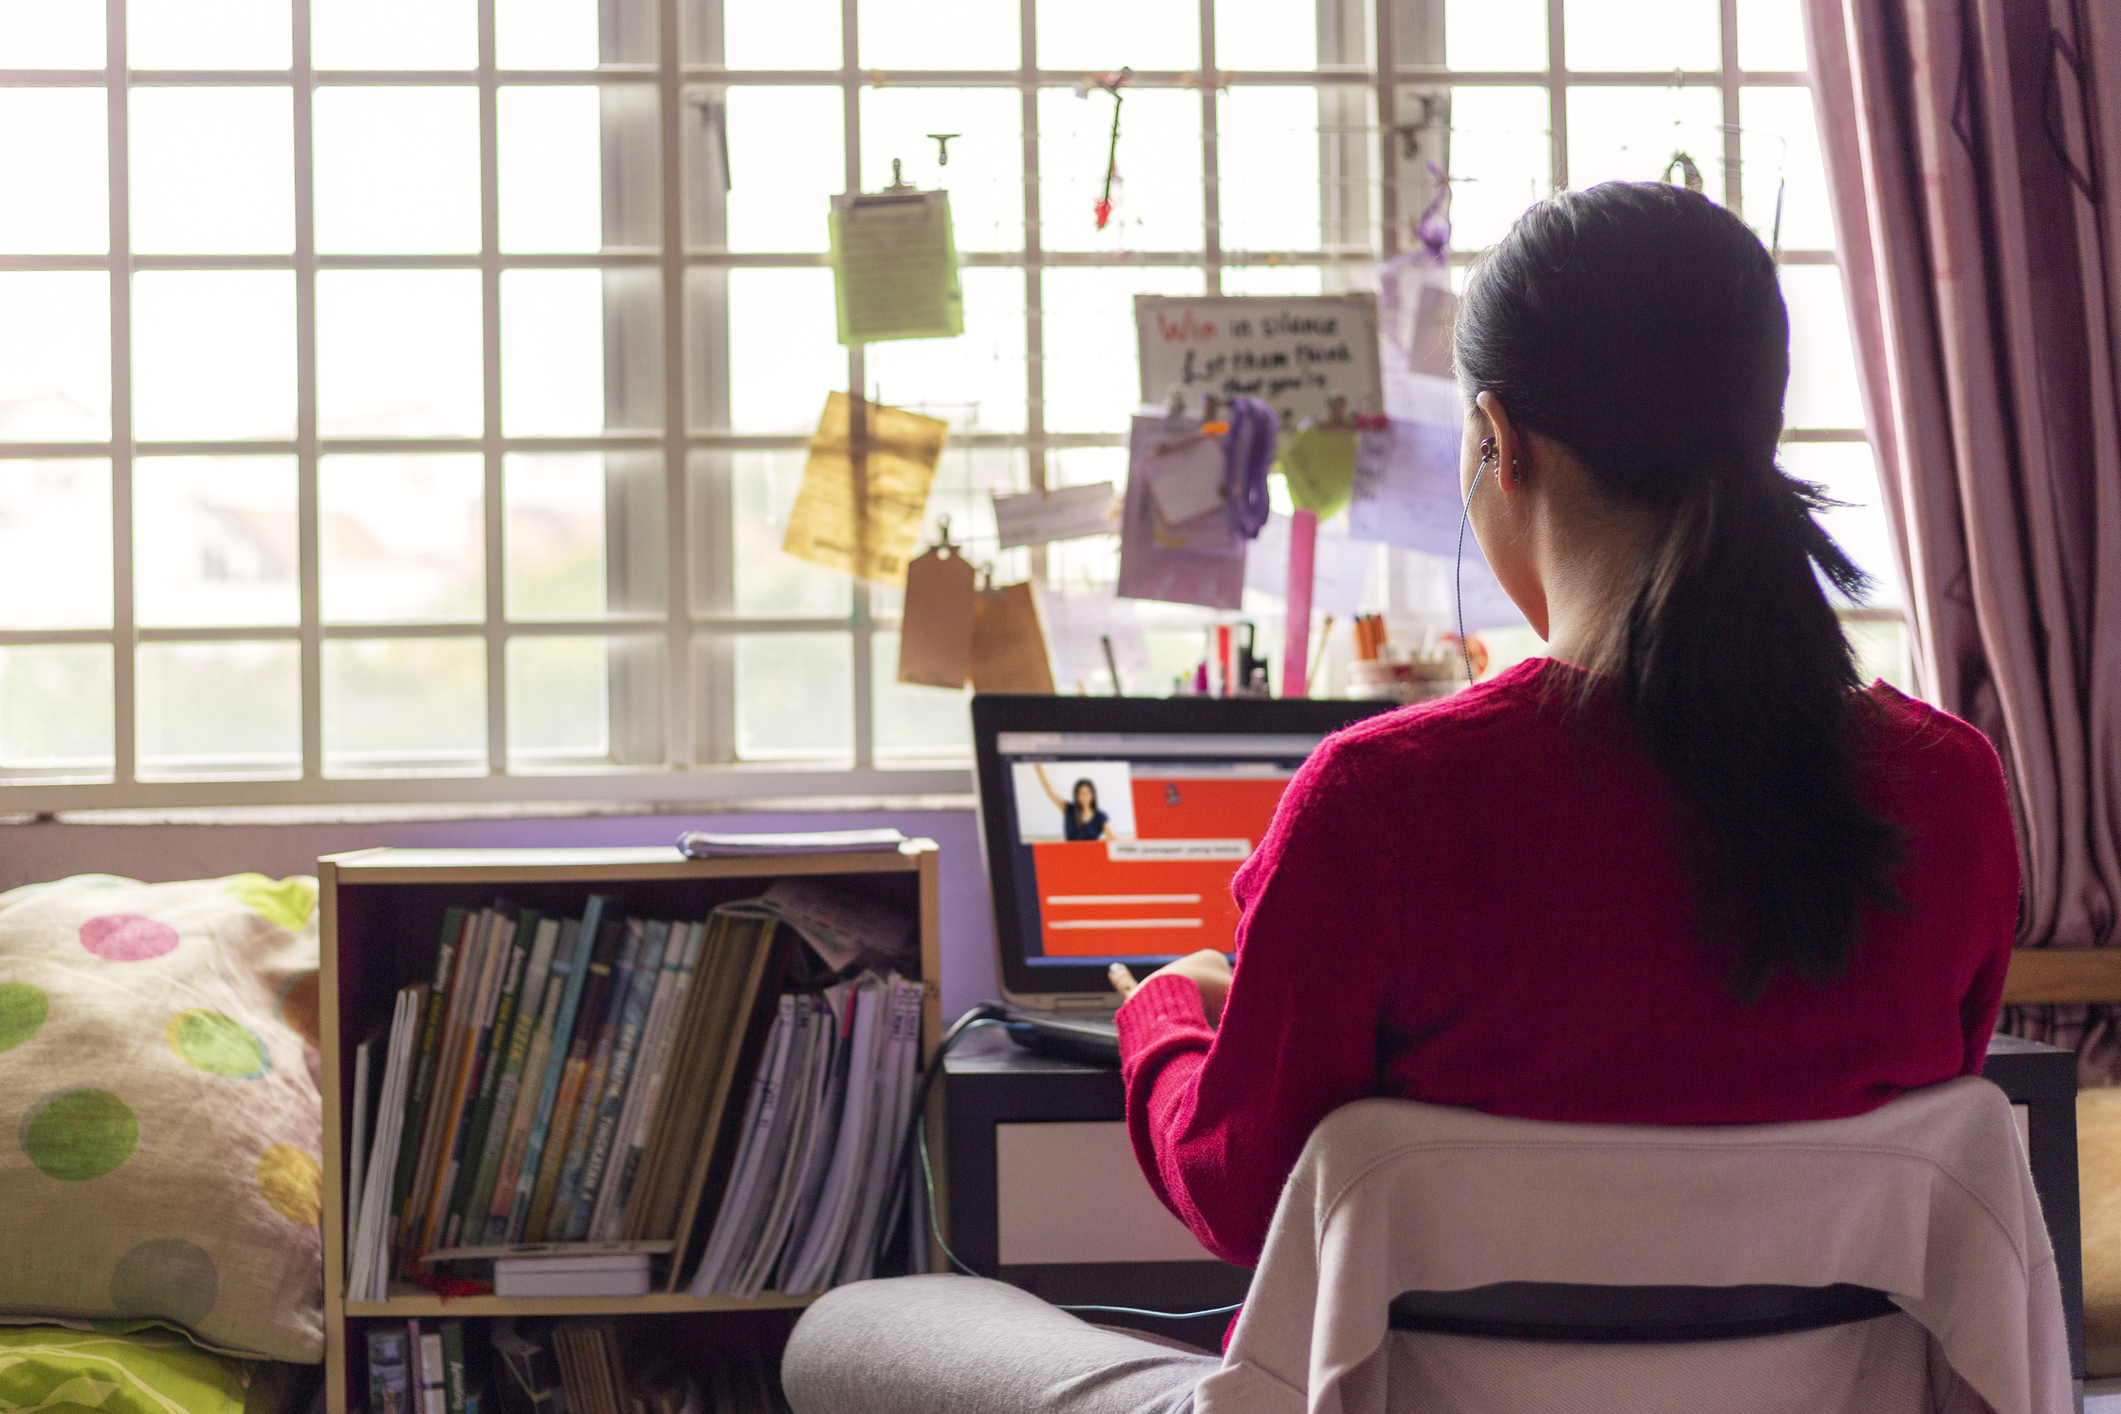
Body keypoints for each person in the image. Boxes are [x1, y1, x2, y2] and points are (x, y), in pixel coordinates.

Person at [781, 182, 2020, 1414]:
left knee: (855, 1325)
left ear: (1498, 439)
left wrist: (1166, 1012)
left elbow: (1235, 1191)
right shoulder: (1951, 790)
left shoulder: (1385, 803)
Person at [1034, 765, 1115, 841]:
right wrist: (1038, 767)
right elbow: (1050, 791)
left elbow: (1113, 838)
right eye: (1080, 793)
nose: (1083, 797)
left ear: (1093, 795)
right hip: (1069, 855)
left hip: (1090, 855)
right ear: (1076, 795)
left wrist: (1094, 845)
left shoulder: (1100, 816)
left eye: (1086, 793)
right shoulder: (1069, 809)